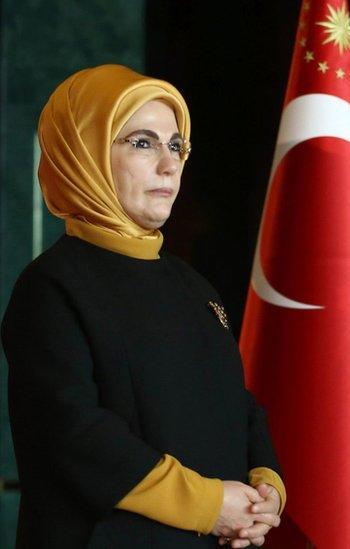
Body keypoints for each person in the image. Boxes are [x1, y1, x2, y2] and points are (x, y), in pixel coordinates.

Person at [2, 64, 286, 548]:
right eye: (142, 142)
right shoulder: (51, 287)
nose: (169, 164)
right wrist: (208, 505)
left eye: (176, 145)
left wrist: (266, 490)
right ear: (84, 154)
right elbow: (76, 436)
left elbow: (236, 405)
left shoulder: (195, 288)